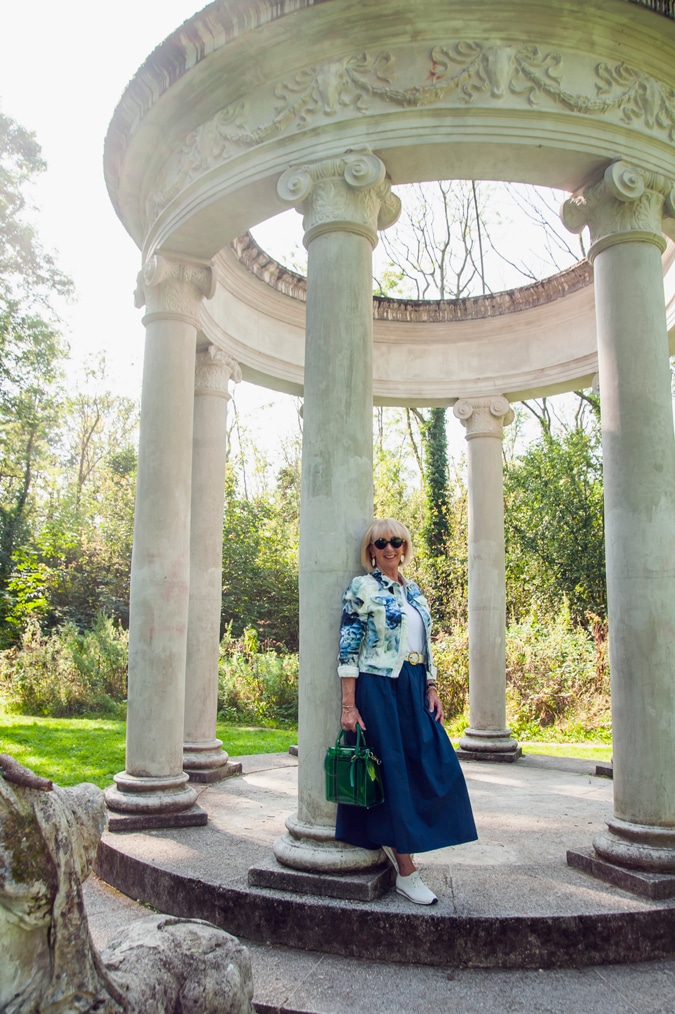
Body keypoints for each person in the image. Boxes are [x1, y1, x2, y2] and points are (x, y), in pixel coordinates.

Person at [335, 518, 477, 905]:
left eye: (396, 541)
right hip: (378, 687)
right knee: (393, 771)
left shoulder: (414, 592)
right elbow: (349, 648)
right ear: (371, 550)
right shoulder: (363, 588)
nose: (389, 548)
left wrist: (431, 685)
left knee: (435, 765)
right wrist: (349, 705)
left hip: (413, 686)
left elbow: (424, 644)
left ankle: (401, 845)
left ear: (405, 546)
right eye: (381, 542)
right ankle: (407, 870)